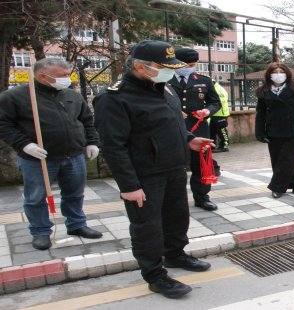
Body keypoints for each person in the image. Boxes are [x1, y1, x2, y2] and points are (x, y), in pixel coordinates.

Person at [93, 40, 213, 298]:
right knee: (147, 226)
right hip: (144, 175)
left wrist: (189, 140)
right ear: (140, 66)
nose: (170, 72)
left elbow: (172, 123)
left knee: (177, 217)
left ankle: (175, 255)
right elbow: (113, 147)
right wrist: (129, 187)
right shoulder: (114, 97)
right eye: (164, 67)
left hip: (174, 168)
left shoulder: (163, 87)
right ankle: (155, 275)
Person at [0, 58, 102, 251]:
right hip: (38, 158)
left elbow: (87, 120)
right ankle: (40, 232)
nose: (67, 78)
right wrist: (24, 144)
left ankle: (76, 224)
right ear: (42, 76)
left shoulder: (72, 95)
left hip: (73, 155)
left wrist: (92, 142)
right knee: (36, 196)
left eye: (68, 74)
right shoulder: (16, 97)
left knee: (75, 193)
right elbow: (3, 124)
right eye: (62, 75)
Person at [168, 47, 222, 211]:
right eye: (187, 64)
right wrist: (174, 111)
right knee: (174, 167)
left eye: (194, 64)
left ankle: (202, 198)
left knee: (201, 166)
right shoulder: (164, 80)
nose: (191, 67)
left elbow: (215, 102)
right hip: (173, 130)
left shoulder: (203, 80)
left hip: (198, 129)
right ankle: (173, 201)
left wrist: (206, 111)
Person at [255, 63, 294, 199]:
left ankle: (277, 187)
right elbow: (260, 113)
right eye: (275, 71)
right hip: (273, 130)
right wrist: (259, 132)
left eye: (281, 71)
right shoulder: (263, 91)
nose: (278, 74)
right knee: (278, 160)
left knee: (287, 159)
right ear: (269, 75)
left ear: (287, 73)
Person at [211, 82, 231, 153]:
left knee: (222, 131)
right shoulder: (212, 89)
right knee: (212, 131)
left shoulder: (219, 90)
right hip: (212, 114)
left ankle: (224, 146)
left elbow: (219, 102)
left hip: (221, 114)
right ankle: (212, 146)